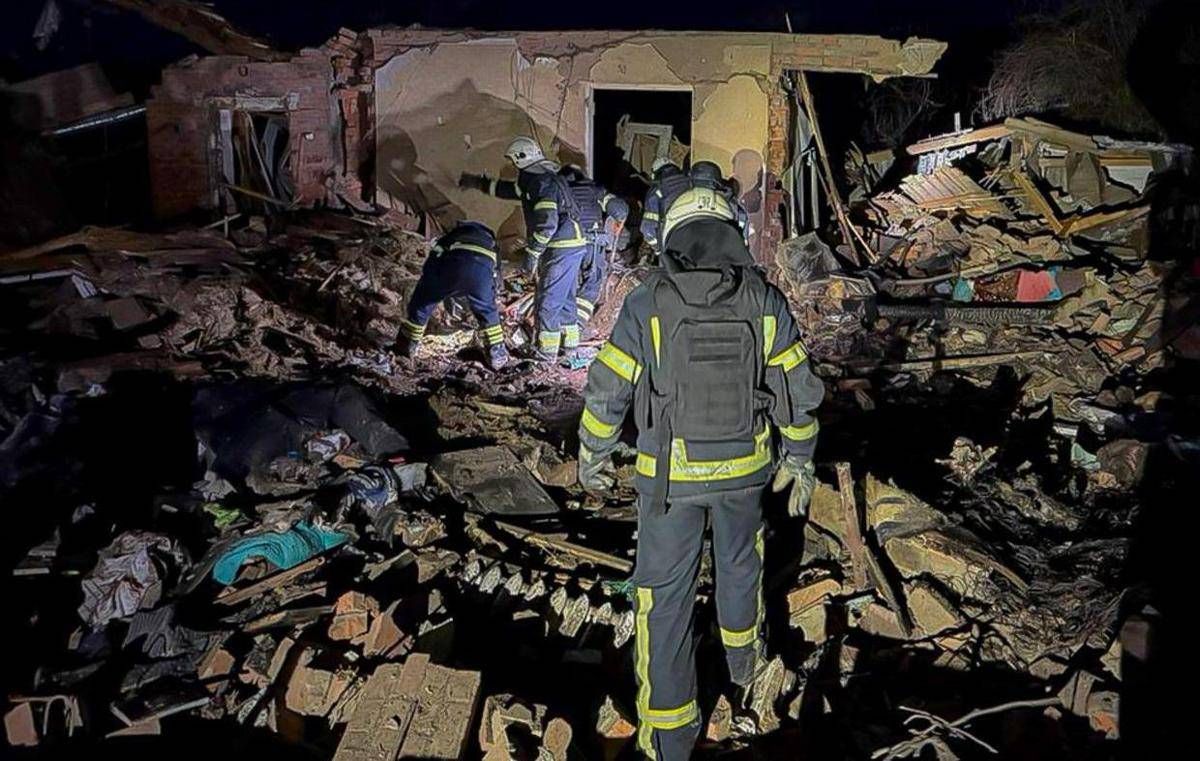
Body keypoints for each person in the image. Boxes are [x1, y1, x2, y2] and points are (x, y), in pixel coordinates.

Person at [576, 204, 822, 759]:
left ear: (673, 240)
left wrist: (593, 451)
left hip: (669, 483)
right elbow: (797, 388)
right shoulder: (763, 299)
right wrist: (800, 456)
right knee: (740, 568)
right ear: (732, 235)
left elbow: (609, 385)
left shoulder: (647, 302)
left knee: (663, 599)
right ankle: (744, 672)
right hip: (745, 475)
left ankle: (670, 736)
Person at [459, 137, 589, 361]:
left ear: (521, 159)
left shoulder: (540, 182)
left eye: (513, 161)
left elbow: (547, 224)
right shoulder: (542, 177)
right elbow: (512, 190)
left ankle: (546, 353)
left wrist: (533, 253)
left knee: (548, 300)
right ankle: (569, 348)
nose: (512, 166)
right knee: (565, 299)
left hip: (560, 246)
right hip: (572, 244)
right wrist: (481, 184)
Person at [395, 220, 509, 370]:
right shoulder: (492, 244)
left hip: (453, 268)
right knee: (487, 312)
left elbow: (435, 256)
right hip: (480, 275)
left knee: (422, 303)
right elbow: (497, 274)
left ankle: (406, 346)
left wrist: (429, 280)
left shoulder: (453, 235)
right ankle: (497, 355)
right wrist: (492, 294)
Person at [558, 164, 630, 330]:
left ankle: (564, 323)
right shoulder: (595, 190)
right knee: (592, 282)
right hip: (592, 243)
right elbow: (620, 209)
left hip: (565, 244)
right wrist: (619, 221)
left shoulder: (557, 191)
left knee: (567, 284)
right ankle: (577, 325)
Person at [655, 160, 751, 250]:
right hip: (719, 255)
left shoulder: (677, 199)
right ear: (718, 182)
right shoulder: (732, 205)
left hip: (681, 255)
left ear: (690, 180)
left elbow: (664, 231)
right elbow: (743, 243)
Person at [639, 157, 683, 256]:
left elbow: (647, 228)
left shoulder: (656, 192)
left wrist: (658, 249)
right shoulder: (690, 181)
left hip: (673, 246)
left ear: (654, 174)